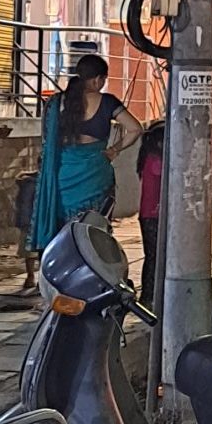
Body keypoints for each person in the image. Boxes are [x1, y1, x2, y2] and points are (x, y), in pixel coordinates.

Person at [31, 53, 139, 253]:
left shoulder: (56, 103)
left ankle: (62, 264)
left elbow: (46, 139)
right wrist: (114, 150)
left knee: (64, 231)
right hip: (96, 175)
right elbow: (135, 129)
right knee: (93, 232)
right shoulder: (107, 102)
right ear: (97, 79)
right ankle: (90, 265)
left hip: (63, 174)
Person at [137, 120, 165, 301]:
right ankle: (148, 296)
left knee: (152, 256)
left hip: (150, 214)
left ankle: (149, 295)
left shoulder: (148, 157)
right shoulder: (155, 161)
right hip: (153, 214)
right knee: (154, 257)